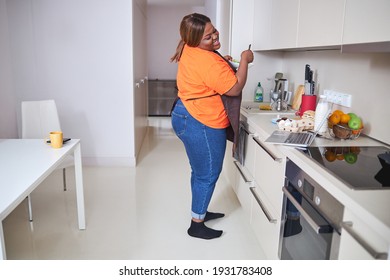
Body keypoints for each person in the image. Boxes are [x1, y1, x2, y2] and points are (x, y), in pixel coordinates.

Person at [170, 13, 253, 240]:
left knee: (199, 171)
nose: (215, 36)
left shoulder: (191, 48)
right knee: (207, 174)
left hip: (185, 115)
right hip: (200, 121)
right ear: (195, 39)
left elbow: (208, 72)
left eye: (214, 30)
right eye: (208, 37)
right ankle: (197, 224)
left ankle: (201, 211)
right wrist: (244, 60)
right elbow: (234, 89)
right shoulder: (206, 59)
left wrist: (221, 61)